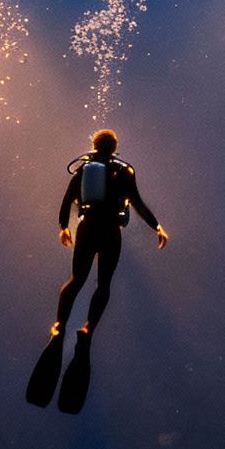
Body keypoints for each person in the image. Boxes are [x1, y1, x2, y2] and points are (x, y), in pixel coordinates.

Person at [53, 128, 167, 338]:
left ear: (94, 145)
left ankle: (60, 324)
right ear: (115, 147)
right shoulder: (124, 172)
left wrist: (64, 227)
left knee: (77, 279)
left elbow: (67, 200)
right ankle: (88, 328)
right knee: (103, 284)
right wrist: (157, 227)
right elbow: (138, 204)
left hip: (87, 228)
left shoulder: (83, 170)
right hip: (110, 231)